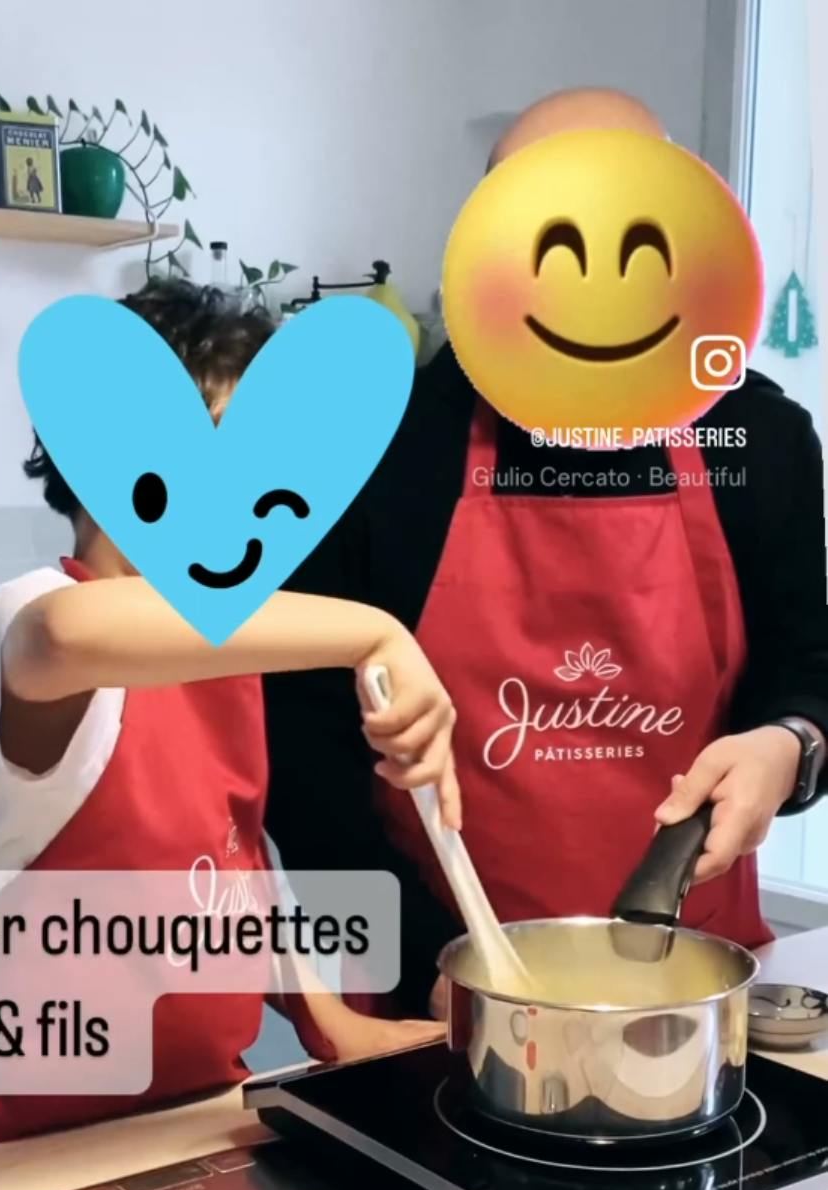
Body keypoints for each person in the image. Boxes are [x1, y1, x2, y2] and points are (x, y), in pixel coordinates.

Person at [264, 88, 828, 1019]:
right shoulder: (378, 442)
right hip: (435, 993)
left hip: (701, 985)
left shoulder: (756, 437)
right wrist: (423, 969)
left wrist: (789, 747)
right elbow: (303, 743)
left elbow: (808, 671)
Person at [0, 280, 453, 1160]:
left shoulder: (223, 653)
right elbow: (65, 635)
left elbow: (235, 867)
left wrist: (331, 1025)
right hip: (15, 1141)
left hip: (193, 1115)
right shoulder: (41, 610)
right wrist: (374, 632)